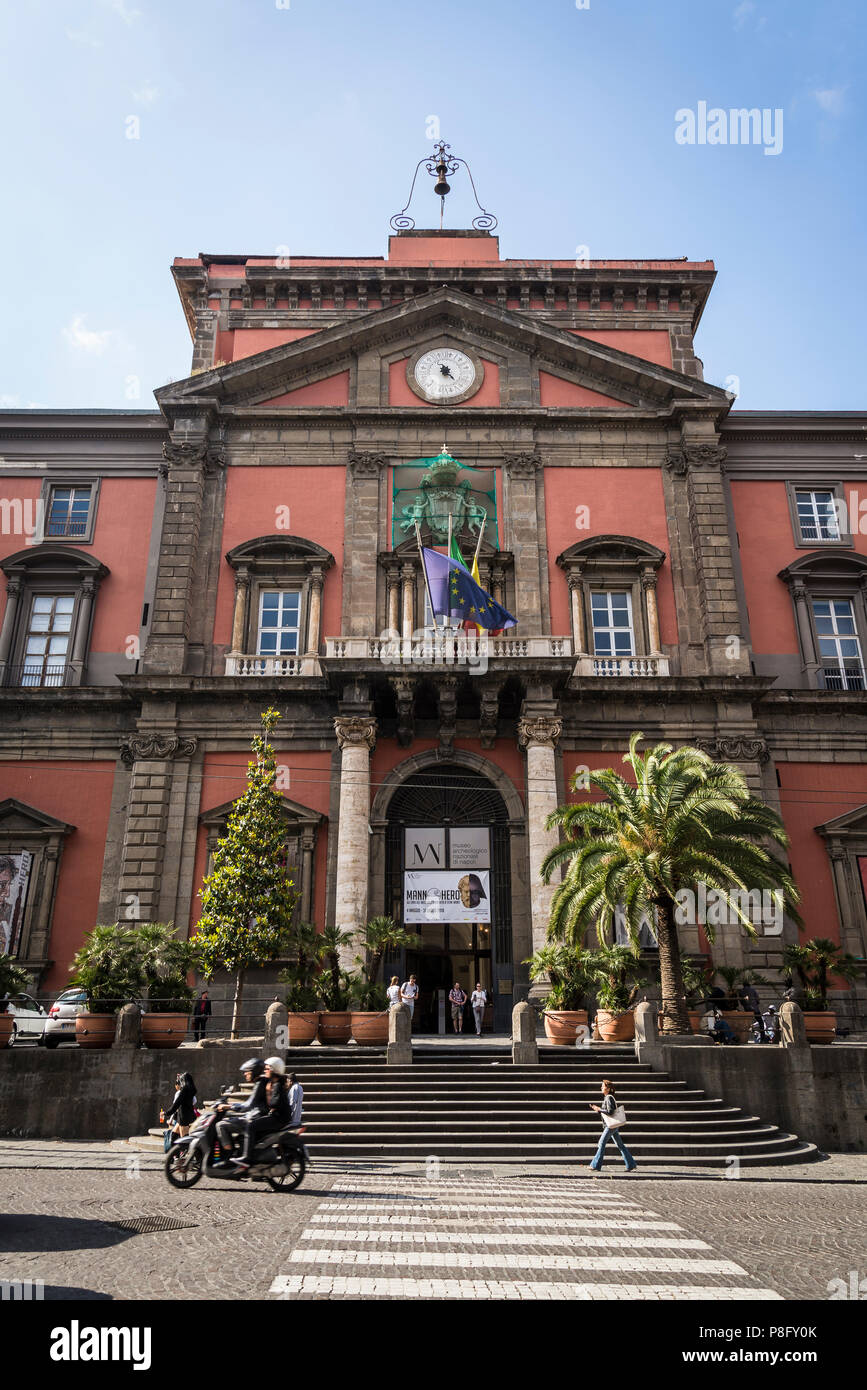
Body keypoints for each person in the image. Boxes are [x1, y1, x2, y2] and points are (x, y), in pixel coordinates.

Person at [232, 1057, 291, 1170]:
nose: (265, 1071)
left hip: (279, 1118)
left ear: (274, 1070)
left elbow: (275, 1103)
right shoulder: (273, 1083)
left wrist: (267, 1102)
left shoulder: (277, 1085)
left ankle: (246, 1158)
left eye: (267, 1069)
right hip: (275, 1116)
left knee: (251, 1126)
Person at [214, 1058, 268, 1165]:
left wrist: (227, 1107)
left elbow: (248, 1105)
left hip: (254, 1118)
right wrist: (231, 1105)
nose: (245, 1074)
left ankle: (228, 1159)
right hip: (254, 1115)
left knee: (221, 1125)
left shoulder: (260, 1084)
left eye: (247, 1071)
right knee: (230, 1120)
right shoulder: (260, 1082)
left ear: (254, 1071)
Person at [589, 1080, 636, 1173]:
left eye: (603, 1086)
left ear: (608, 1088)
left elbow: (610, 1111)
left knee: (601, 1143)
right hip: (612, 1125)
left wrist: (599, 1109)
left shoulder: (609, 1098)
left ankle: (595, 1165)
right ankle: (631, 1164)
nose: (601, 1088)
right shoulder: (608, 1097)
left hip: (610, 1126)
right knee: (620, 1145)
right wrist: (598, 1110)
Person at [165, 1071, 197, 1139]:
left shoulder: (184, 1091)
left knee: (184, 1141)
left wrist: (166, 1113)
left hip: (183, 1118)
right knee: (174, 1135)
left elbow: (176, 1105)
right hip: (185, 1117)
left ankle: (182, 1149)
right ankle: (176, 1149)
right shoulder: (190, 1090)